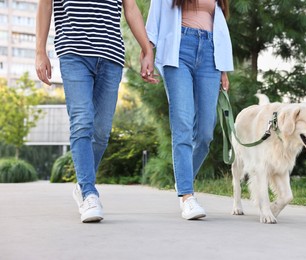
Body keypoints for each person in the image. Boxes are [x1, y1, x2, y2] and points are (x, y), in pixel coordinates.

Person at [35, 0, 158, 223]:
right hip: (74, 51)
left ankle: (82, 185)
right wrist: (40, 51)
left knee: (101, 130)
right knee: (82, 121)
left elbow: (130, 8)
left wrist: (147, 49)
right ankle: (89, 192)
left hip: (111, 55)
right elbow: (45, 4)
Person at [145, 0, 234, 220]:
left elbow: (219, 24)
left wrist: (223, 68)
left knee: (205, 133)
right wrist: (147, 51)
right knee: (183, 124)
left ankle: (183, 177)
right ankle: (187, 196)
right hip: (179, 49)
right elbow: (155, 14)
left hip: (210, 54)